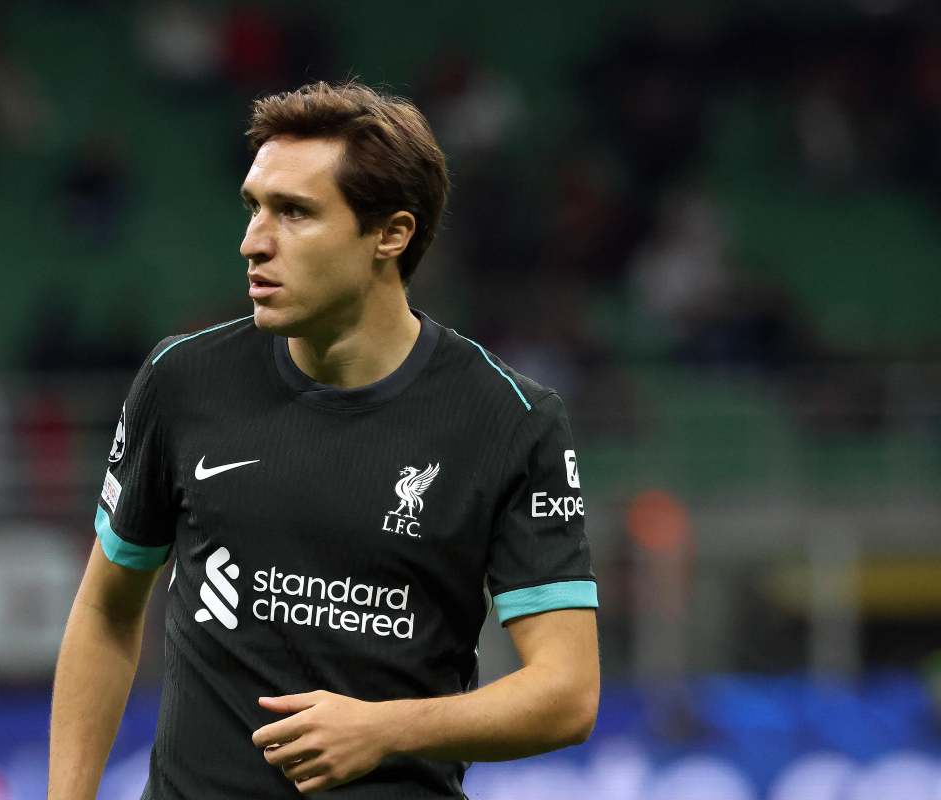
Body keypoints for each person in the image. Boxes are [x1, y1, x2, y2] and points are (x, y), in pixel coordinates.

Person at [49, 80, 599, 799]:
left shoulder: (510, 420)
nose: (254, 242)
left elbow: (567, 693)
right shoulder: (183, 380)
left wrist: (385, 729)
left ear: (390, 235)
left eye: (294, 213)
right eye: (254, 207)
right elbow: (105, 610)